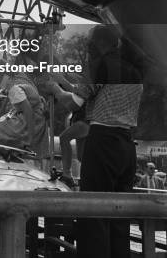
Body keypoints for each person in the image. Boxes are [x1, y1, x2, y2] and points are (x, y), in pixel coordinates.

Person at [48, 25, 143, 258]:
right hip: (127, 146)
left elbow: (73, 104)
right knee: (120, 215)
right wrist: (67, 84)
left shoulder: (99, 65)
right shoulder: (134, 71)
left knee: (93, 212)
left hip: (103, 143)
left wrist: (55, 89)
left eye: (90, 42)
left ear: (98, 43)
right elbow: (96, 94)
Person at [0, 79, 48, 163]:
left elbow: (28, 112)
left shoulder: (14, 90)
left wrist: (30, 138)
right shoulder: (15, 88)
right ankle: (2, 152)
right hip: (26, 118)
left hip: (30, 121)